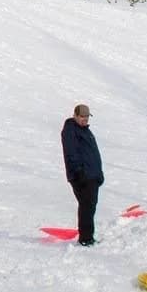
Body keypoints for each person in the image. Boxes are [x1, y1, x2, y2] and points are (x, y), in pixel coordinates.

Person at [61, 104, 103, 246]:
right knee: (87, 206)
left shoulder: (85, 131)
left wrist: (99, 173)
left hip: (92, 175)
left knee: (90, 206)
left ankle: (88, 236)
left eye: (87, 117)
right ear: (75, 115)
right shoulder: (71, 130)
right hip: (82, 177)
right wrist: (80, 173)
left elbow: (92, 154)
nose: (85, 119)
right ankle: (85, 239)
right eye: (82, 117)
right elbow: (71, 153)